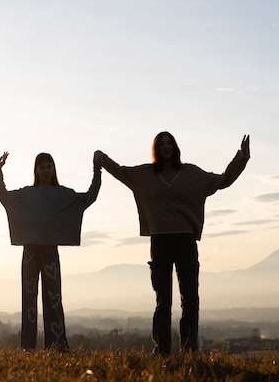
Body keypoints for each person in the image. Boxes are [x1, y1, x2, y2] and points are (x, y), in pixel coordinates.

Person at [94, 132, 249, 354]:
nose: (166, 147)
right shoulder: (145, 174)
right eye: (161, 143)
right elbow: (121, 172)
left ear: (175, 147)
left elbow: (222, 180)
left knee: (190, 300)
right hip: (160, 241)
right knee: (163, 301)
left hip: (185, 240)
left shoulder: (191, 174)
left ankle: (189, 350)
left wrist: (241, 157)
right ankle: (163, 350)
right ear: (156, 148)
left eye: (170, 143)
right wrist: (102, 157)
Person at [0, 151, 101, 351]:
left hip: (50, 251)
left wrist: (97, 171)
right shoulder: (27, 194)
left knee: (54, 299)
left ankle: (57, 346)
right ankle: (28, 346)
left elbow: (89, 197)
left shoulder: (63, 194)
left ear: (53, 169)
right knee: (29, 299)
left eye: (49, 166)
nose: (45, 170)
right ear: (36, 170)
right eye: (41, 167)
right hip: (30, 252)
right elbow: (5, 197)